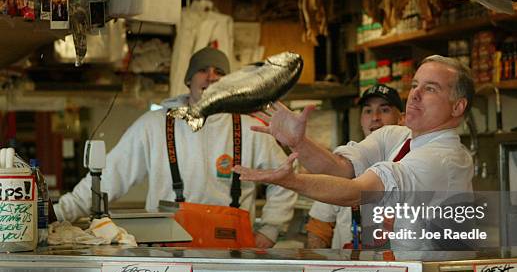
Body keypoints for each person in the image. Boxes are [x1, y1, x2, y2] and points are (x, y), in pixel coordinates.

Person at [54, 47, 297, 248]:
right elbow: (108, 177)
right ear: (188, 79)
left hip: (233, 259)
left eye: (220, 72)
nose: (211, 76)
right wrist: (59, 213)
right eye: (203, 70)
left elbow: (286, 180)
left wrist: (269, 233)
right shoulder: (154, 125)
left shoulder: (250, 128)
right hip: (167, 259)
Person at [235, 55, 474, 248]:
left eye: (430, 89)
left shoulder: (444, 157)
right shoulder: (397, 136)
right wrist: (299, 143)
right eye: (414, 85)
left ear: (457, 106)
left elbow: (357, 192)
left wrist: (290, 180)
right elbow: (342, 170)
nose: (415, 95)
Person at [306, 84, 405, 249]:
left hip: (397, 268)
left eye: (385, 110)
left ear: (402, 119)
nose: (375, 117)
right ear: (361, 119)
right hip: (347, 270)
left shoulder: (412, 163)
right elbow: (319, 227)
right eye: (367, 111)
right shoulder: (346, 163)